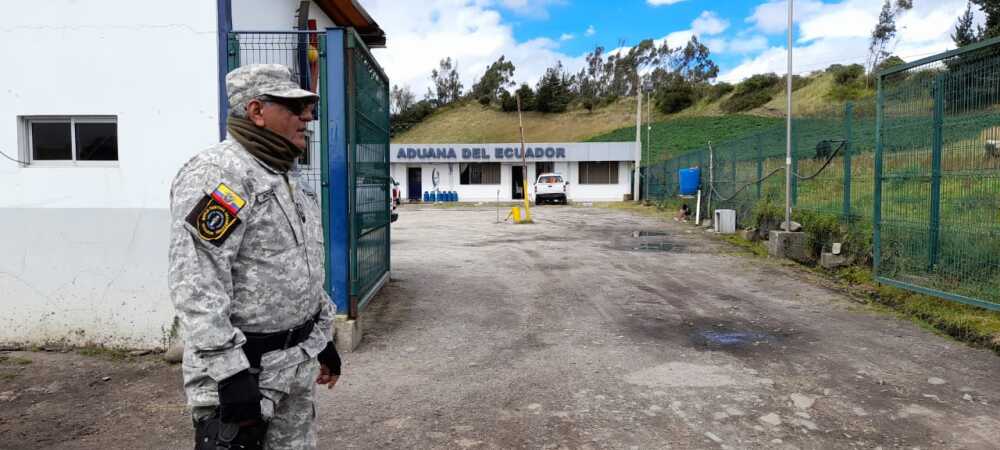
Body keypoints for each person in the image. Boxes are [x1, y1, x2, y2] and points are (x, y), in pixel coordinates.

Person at [168, 64, 340, 450]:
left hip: (293, 367)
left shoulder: (286, 177)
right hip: (246, 372)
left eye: (308, 107)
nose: (308, 116)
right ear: (257, 111)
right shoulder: (220, 175)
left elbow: (300, 267)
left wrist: (321, 336)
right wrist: (229, 374)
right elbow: (196, 281)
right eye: (294, 108)